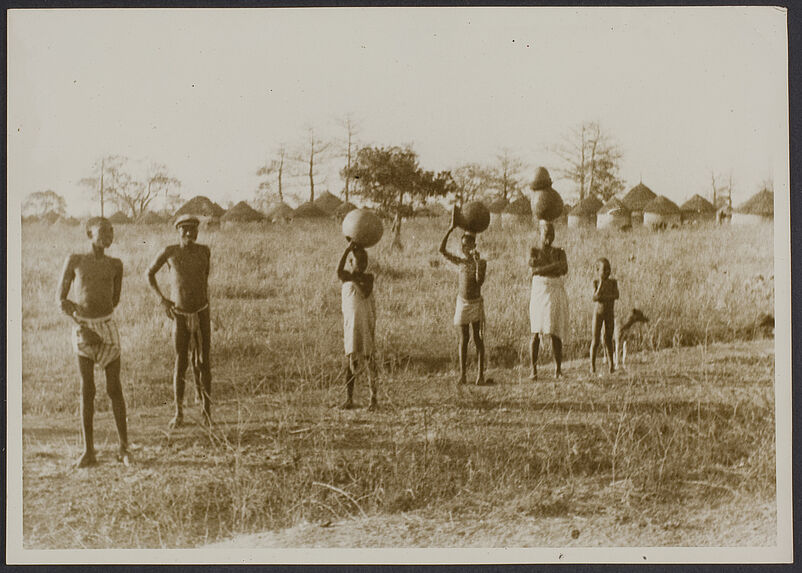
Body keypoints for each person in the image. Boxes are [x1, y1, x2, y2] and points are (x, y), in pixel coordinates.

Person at [57, 217, 129, 467]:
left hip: (107, 328)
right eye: (102, 231)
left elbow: (114, 299)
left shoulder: (116, 265)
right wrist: (82, 326)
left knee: (114, 389)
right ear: (89, 233)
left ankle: (124, 448)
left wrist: (100, 321)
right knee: (87, 390)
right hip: (83, 329)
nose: (108, 235)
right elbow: (62, 301)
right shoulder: (75, 260)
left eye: (111, 231)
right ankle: (89, 452)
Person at [147, 215, 212, 428]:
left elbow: (204, 279)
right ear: (178, 231)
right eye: (184, 230)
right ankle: (178, 412)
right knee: (181, 361)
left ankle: (206, 412)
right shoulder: (170, 251)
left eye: (193, 230)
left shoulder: (204, 252)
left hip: (202, 312)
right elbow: (149, 274)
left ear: (198, 232)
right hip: (180, 314)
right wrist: (162, 300)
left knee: (203, 362)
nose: (189, 234)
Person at [440, 208, 490, 385]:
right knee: (463, 339)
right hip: (462, 303)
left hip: (475, 303)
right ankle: (462, 375)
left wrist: (476, 263)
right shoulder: (460, 262)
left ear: (473, 246)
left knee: (477, 338)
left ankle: (480, 375)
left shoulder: (481, 263)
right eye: (462, 246)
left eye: (467, 245)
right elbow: (442, 250)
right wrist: (451, 228)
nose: (464, 248)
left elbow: (479, 281)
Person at [337, 241, 378, 409]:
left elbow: (364, 292)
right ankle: (349, 399)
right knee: (350, 358)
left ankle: (373, 398)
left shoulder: (368, 278)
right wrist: (347, 250)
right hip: (351, 323)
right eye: (357, 261)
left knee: (368, 358)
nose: (361, 265)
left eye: (364, 262)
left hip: (364, 322)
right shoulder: (346, 275)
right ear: (351, 262)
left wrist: (353, 278)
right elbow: (339, 271)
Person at [528, 220, 569, 379]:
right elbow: (533, 269)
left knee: (554, 330)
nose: (549, 237)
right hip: (539, 291)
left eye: (551, 234)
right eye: (546, 233)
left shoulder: (560, 251)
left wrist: (542, 268)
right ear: (540, 234)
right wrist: (554, 266)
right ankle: (533, 370)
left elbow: (564, 269)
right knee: (536, 331)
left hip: (554, 291)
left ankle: (558, 370)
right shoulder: (534, 251)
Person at [590, 257, 619, 374]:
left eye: (609, 269)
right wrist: (601, 283)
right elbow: (595, 297)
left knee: (608, 339)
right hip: (598, 314)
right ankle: (592, 366)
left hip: (609, 313)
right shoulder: (596, 282)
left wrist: (603, 297)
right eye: (604, 270)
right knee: (595, 340)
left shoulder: (613, 282)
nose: (607, 272)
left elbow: (616, 295)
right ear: (598, 270)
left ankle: (611, 365)